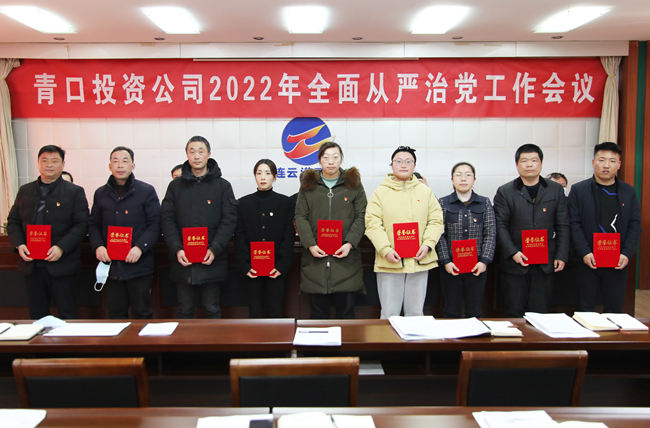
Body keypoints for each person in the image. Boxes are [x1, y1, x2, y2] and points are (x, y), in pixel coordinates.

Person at [7, 145, 88, 319]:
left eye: (54, 161)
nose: (49, 165)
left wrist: (61, 247)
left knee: (67, 313)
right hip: (32, 264)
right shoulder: (25, 190)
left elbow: (82, 224)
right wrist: (19, 244)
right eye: (44, 160)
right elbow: (13, 221)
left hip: (62, 263)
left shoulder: (74, 192)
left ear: (63, 164)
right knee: (37, 315)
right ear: (38, 163)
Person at [160, 136, 237, 318]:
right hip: (183, 260)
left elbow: (229, 220)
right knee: (185, 310)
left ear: (209, 154)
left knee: (212, 308)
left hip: (212, 260)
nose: (196, 156)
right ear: (187, 155)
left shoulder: (222, 186)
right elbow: (167, 219)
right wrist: (177, 248)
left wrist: (214, 249)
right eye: (192, 151)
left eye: (201, 151)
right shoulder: (175, 186)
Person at [365, 146, 443, 318]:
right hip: (390, 261)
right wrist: (386, 249)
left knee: (415, 313)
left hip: (419, 259)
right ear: (391, 165)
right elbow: (372, 224)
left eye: (408, 161)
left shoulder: (426, 192)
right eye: (398, 161)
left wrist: (427, 245)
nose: (403, 165)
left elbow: (436, 221)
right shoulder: (380, 193)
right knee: (389, 313)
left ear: (414, 165)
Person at [493, 144, 569, 317]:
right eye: (524, 161)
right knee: (514, 312)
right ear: (517, 165)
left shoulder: (555, 190)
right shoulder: (505, 191)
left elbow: (563, 224)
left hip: (545, 263)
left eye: (534, 160)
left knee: (540, 313)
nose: (529, 164)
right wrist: (513, 252)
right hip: (515, 263)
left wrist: (561, 254)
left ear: (541, 164)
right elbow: (500, 225)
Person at [295, 141, 367, 319]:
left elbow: (362, 216)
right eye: (326, 157)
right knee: (318, 315)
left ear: (341, 159)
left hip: (346, 260)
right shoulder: (308, 185)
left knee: (347, 314)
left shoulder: (354, 185)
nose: (331, 161)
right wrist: (311, 245)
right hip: (316, 261)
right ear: (319, 160)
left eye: (335, 157)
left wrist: (349, 243)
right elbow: (300, 217)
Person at [567, 142, 642, 313]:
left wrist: (626, 253)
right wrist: (585, 252)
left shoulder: (628, 192)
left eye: (612, 161)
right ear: (593, 162)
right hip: (587, 261)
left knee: (614, 309)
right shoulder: (579, 190)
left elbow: (635, 224)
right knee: (584, 309)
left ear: (619, 164)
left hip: (617, 261)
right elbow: (573, 223)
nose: (606, 165)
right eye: (602, 160)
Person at [88, 146, 161, 319]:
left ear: (133, 166)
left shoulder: (146, 191)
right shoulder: (101, 193)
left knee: (142, 313)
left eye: (125, 161)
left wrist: (139, 247)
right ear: (110, 166)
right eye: (116, 161)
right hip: (112, 266)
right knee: (116, 314)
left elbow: (156, 224)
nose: (120, 165)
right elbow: (93, 224)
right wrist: (98, 246)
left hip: (139, 265)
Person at [234, 159, 295, 318]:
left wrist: (281, 266)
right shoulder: (243, 203)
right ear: (254, 176)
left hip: (276, 267)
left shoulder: (285, 203)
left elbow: (288, 236)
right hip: (251, 268)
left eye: (267, 173)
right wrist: (245, 266)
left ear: (275, 176)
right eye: (259, 173)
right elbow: (240, 236)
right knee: (254, 310)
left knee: (276, 310)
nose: (263, 177)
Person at [435, 162, 496, 318]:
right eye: (458, 175)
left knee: (474, 311)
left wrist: (484, 261)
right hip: (451, 266)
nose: (463, 178)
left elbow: (490, 233)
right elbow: (440, 234)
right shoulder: (443, 203)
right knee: (451, 311)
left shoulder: (485, 202)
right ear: (452, 179)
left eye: (468, 175)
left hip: (477, 266)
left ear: (474, 179)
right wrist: (446, 261)